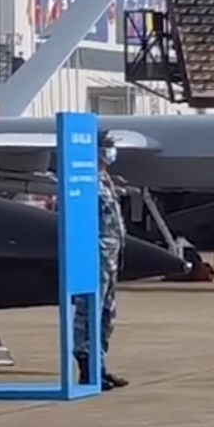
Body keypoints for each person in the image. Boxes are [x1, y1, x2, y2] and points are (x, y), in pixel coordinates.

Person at [74, 132, 130, 390]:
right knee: (89, 310)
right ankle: (86, 367)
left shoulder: (107, 180)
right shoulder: (86, 182)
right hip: (95, 253)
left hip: (111, 255)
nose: (110, 151)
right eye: (106, 146)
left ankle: (100, 366)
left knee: (107, 313)